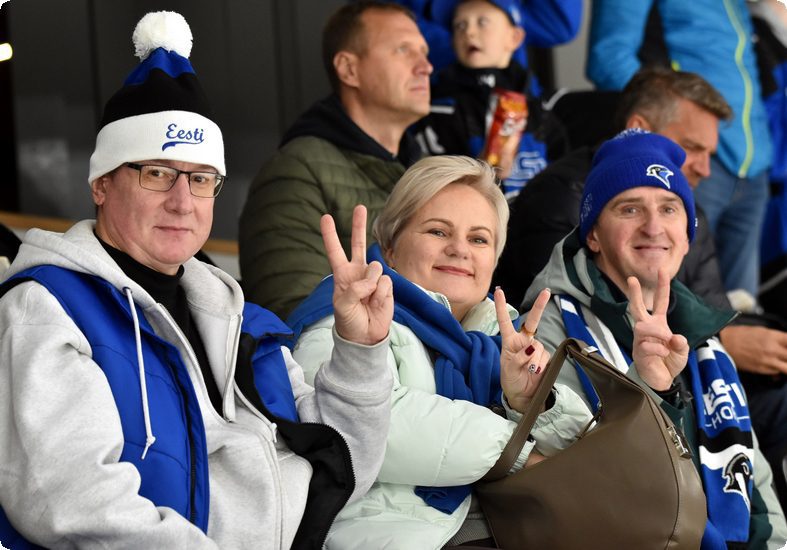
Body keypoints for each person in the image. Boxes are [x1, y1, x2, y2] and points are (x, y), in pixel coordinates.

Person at [0, 12, 395, 549]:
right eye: (157, 173)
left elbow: (346, 467)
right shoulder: (47, 308)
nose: (182, 202)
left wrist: (359, 351)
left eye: (202, 179)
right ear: (101, 185)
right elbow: (73, 502)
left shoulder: (239, 320)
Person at [287, 155, 591, 549]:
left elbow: (577, 454)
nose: (459, 249)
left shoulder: (499, 342)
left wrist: (532, 402)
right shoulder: (348, 315)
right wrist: (515, 451)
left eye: (479, 239)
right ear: (391, 246)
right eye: (438, 231)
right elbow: (376, 427)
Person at [521, 129, 787, 548]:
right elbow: (581, 486)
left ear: (688, 236)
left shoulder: (704, 338)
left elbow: (760, 491)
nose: (653, 227)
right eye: (629, 209)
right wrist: (649, 387)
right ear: (593, 235)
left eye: (669, 208)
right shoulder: (546, 332)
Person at [239, 0, 432, 319]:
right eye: (403, 50)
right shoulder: (295, 171)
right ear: (349, 69)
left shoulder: (426, 176)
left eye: (423, 52)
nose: (426, 66)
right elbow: (292, 318)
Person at [586, 0, 772, 300]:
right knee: (668, 298)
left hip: (754, 163)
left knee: (740, 310)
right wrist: (670, 119)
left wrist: (761, 145)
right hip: (685, 155)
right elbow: (608, 58)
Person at [413, 0, 567, 200]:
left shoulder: (536, 102)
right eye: (460, 25)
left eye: (482, 22)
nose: (469, 32)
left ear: (514, 37)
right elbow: (427, 185)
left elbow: (564, 169)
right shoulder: (440, 106)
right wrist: (479, 175)